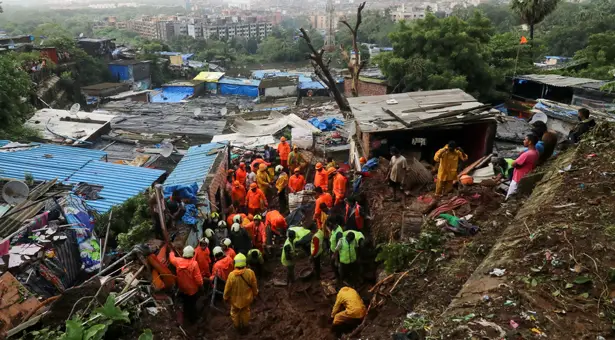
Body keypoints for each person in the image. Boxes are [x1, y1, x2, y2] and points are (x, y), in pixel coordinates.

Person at [223, 253, 258, 332]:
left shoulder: (231, 275)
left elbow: (227, 288)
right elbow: (254, 285)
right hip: (246, 299)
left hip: (235, 300)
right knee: (245, 312)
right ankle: (245, 326)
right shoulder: (250, 273)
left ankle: (237, 326)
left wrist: (225, 297)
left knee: (235, 313)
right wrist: (255, 293)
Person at [169, 245, 203, 324]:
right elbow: (198, 279)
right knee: (193, 305)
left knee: (186, 302)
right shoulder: (194, 264)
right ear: (192, 254)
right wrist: (201, 286)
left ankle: (186, 315)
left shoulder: (178, 261)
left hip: (183, 289)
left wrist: (171, 252)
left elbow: (171, 258)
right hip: (192, 290)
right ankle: (194, 320)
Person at [506, 134, 540, 200]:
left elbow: (514, 164)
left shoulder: (527, 154)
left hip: (518, 178)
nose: (523, 141)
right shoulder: (536, 152)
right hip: (526, 176)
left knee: (509, 197)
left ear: (529, 142)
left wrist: (513, 162)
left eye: (525, 139)